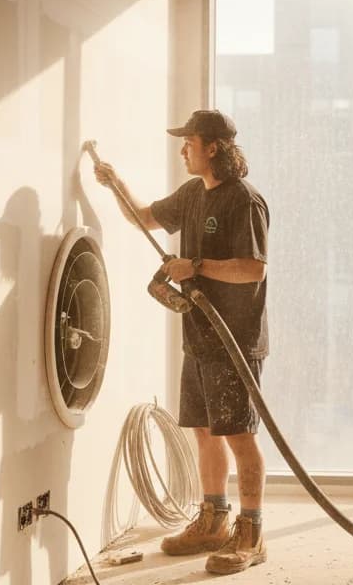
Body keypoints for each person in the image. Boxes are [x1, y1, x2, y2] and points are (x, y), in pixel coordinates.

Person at [93, 109, 270, 574]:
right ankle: (213, 519)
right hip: (200, 338)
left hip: (235, 339)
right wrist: (115, 185)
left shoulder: (244, 201)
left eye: (188, 142)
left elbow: (252, 268)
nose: (182, 149)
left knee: (238, 434)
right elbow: (145, 217)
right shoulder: (193, 194)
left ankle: (251, 533)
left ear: (213, 147)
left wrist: (196, 267)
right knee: (204, 430)